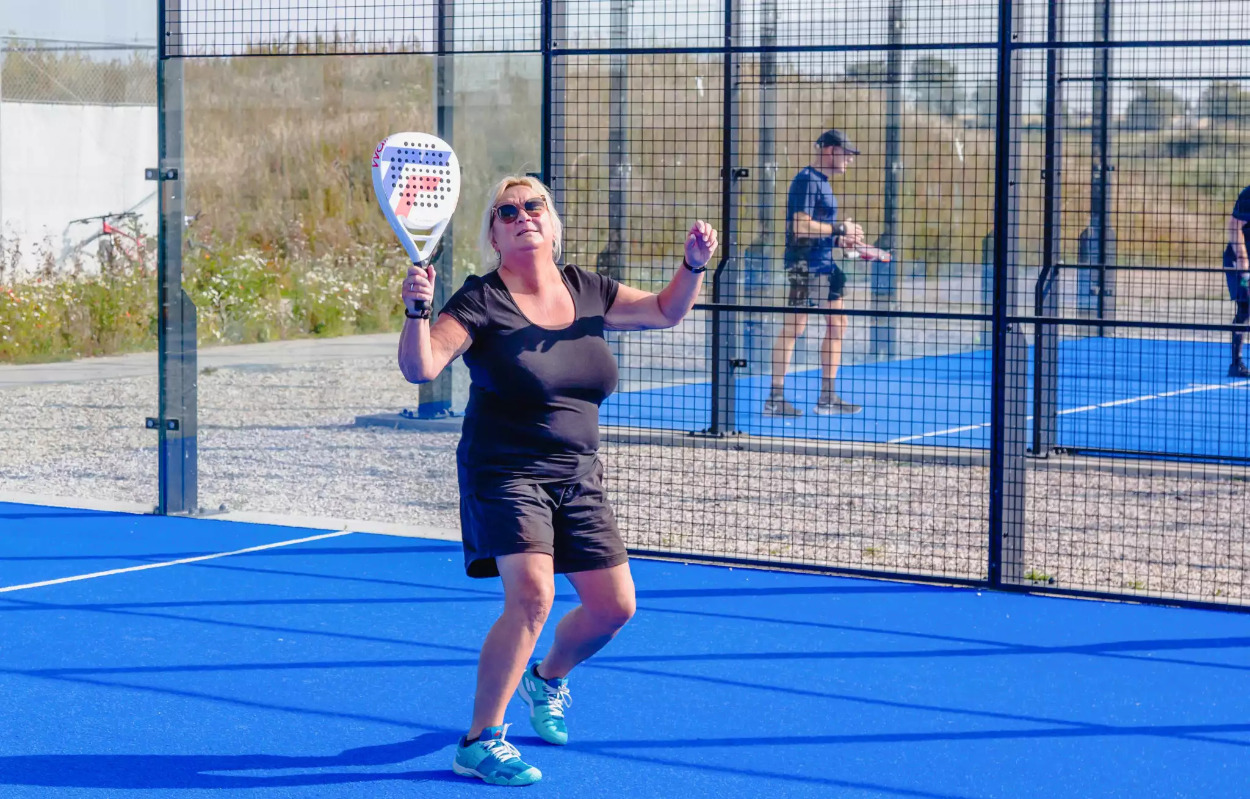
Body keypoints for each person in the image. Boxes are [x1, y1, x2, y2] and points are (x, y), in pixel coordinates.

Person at [397, 175, 718, 787]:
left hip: (578, 474)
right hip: (506, 471)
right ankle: (480, 742)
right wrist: (417, 311)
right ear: (494, 235)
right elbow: (422, 366)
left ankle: (545, 679)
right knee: (532, 596)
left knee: (614, 608)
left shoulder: (588, 289)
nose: (523, 215)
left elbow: (665, 310)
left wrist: (693, 265)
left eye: (533, 205)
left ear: (552, 221)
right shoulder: (480, 299)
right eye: (507, 211)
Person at [765, 128, 867, 417]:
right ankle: (775, 398)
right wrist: (841, 228)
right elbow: (799, 226)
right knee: (794, 329)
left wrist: (839, 240)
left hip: (826, 265)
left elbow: (817, 230)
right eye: (846, 154)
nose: (850, 159)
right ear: (831, 150)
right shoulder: (806, 181)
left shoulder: (823, 183)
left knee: (838, 325)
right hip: (805, 267)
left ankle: (827, 398)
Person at [1224, 184, 1250, 378]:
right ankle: (1236, 363)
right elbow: (1234, 226)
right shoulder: (1248, 195)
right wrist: (1242, 260)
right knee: (1246, 307)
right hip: (1241, 260)